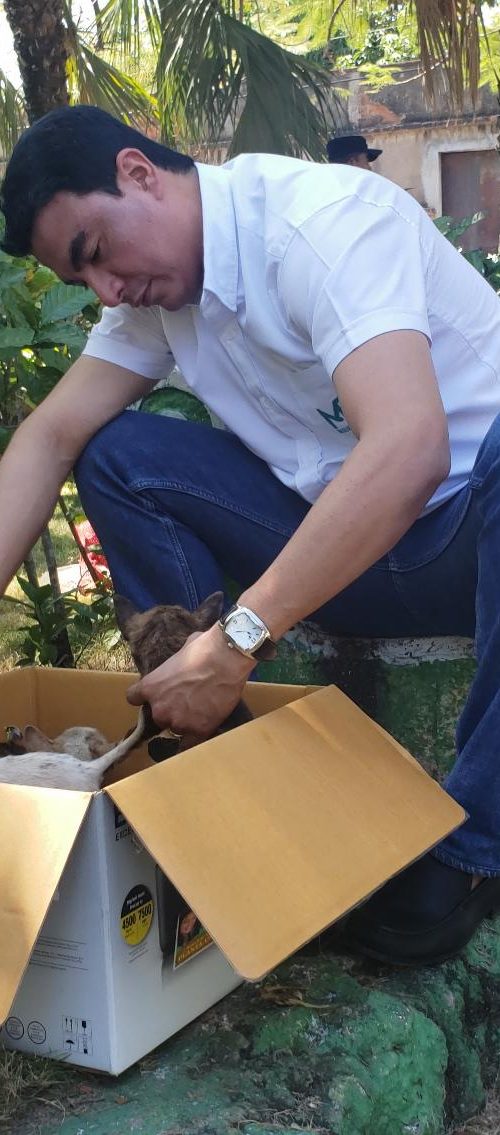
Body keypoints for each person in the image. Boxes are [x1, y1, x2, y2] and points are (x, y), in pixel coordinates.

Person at [2, 104, 500, 968]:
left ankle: (474, 847)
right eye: (82, 278)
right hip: (346, 554)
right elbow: (47, 438)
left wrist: (239, 637)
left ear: (138, 173)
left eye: (95, 252)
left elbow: (411, 450)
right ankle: (224, 776)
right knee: (119, 456)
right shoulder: (158, 297)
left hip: (468, 541)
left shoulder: (320, 226)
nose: (106, 291)